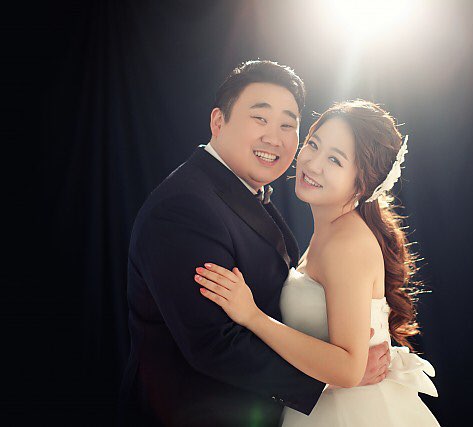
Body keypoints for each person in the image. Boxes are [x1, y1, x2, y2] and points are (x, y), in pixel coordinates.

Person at [118, 61, 391, 426]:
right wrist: (331, 380)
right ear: (218, 121)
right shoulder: (184, 207)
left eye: (287, 125)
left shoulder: (246, 193)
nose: (274, 138)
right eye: (260, 119)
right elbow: (215, 345)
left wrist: (341, 370)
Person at [194, 100, 440, 426]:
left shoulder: (346, 244)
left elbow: (349, 369)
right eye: (313, 144)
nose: (313, 163)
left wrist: (253, 317)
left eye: (335, 159)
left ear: (363, 183)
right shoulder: (331, 231)